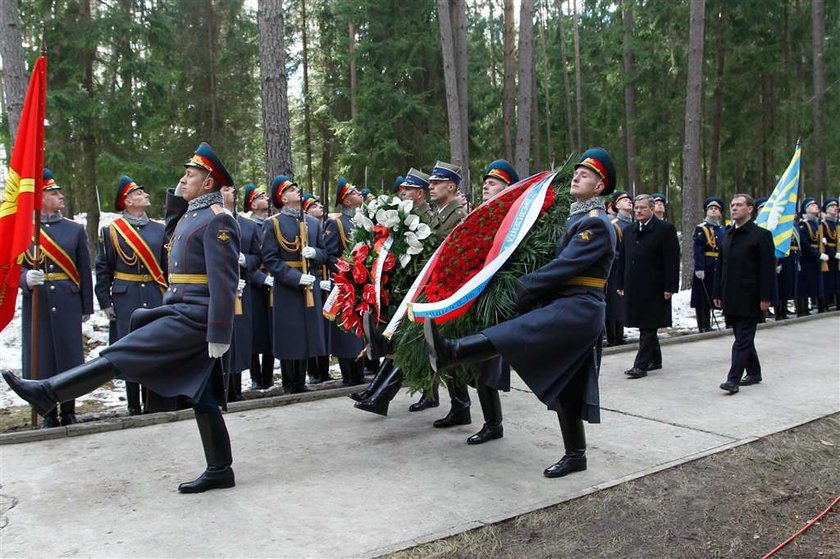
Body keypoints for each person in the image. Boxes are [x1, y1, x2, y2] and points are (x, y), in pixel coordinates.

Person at [5, 142, 240, 493]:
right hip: (179, 308)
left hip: (195, 316)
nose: (183, 179)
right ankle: (220, 468)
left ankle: (48, 392)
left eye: (190, 175)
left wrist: (220, 331)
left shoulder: (218, 220)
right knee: (203, 395)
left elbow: (224, 279)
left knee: (122, 353)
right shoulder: (193, 215)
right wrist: (177, 199)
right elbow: (171, 236)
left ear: (208, 183)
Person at [422, 147, 618, 477]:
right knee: (568, 384)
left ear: (600, 187)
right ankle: (576, 454)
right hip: (568, 303)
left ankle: (452, 351)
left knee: (517, 332)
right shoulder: (577, 217)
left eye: (586, 175)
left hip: (580, 307)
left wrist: (520, 289)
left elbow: (564, 267)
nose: (577, 176)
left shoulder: (596, 225)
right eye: (578, 171)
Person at [95, 175, 182, 414]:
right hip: (126, 298)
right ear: (128, 201)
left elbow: (167, 267)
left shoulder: (159, 229)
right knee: (129, 350)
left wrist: (172, 295)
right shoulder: (112, 232)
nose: (146, 196)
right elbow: (104, 268)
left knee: (155, 348)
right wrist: (105, 300)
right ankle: (133, 404)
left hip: (155, 294)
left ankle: (154, 401)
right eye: (139, 193)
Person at [18, 169, 94, 428]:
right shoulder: (23, 230)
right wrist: (25, 278)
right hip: (36, 301)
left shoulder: (74, 229)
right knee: (42, 357)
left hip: (67, 301)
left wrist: (86, 305)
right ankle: (48, 413)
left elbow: (84, 268)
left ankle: (69, 409)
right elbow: (10, 266)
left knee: (69, 356)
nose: (60, 196)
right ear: (39, 197)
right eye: (53, 193)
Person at [261, 176, 328, 394]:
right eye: (291, 189)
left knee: (307, 333)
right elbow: (270, 259)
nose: (297, 191)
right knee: (290, 335)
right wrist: (294, 277)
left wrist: (315, 253)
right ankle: (289, 382)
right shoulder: (273, 223)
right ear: (282, 197)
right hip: (288, 286)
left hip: (310, 282)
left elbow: (325, 253)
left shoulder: (313, 223)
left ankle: (302, 380)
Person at [413, 160, 469, 417]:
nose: (430, 186)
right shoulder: (441, 213)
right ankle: (453, 403)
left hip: (448, 290)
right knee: (438, 347)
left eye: (436, 183)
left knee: (448, 348)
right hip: (435, 287)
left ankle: (461, 406)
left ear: (451, 186)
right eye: (431, 182)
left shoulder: (458, 214)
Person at [715, 194, 775, 394]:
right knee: (742, 336)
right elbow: (720, 266)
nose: (734, 208)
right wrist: (718, 292)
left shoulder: (761, 235)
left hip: (751, 296)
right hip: (730, 295)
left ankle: (733, 379)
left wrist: (765, 298)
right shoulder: (727, 234)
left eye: (739, 205)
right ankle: (754, 372)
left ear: (750, 209)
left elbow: (767, 270)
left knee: (742, 339)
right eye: (732, 205)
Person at [617, 194, 680, 379]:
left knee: (649, 325)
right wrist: (620, 282)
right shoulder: (629, 230)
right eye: (636, 208)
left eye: (642, 208)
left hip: (655, 286)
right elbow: (623, 259)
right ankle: (655, 359)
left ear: (652, 209)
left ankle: (640, 365)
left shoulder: (665, 229)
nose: (638, 211)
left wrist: (670, 286)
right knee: (644, 323)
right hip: (634, 285)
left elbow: (672, 260)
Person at [324, 178, 366, 385]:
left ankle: (360, 371)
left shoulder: (362, 220)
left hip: (362, 280)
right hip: (345, 282)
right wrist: (346, 270)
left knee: (359, 328)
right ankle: (349, 375)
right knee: (345, 329)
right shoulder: (337, 223)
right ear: (346, 201)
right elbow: (330, 254)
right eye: (354, 192)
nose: (359, 193)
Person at [221, 184, 258, 401]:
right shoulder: (208, 219)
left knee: (240, 338)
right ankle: (222, 388)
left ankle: (236, 388)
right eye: (225, 188)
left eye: (232, 189)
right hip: (218, 289)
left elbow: (259, 256)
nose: (231, 192)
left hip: (242, 289)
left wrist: (247, 260)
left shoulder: (248, 225)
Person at [241, 183, 275, 389]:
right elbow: (251, 260)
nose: (267, 199)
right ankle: (256, 377)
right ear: (252, 204)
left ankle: (268, 376)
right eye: (261, 196)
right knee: (255, 332)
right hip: (254, 284)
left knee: (271, 331)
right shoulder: (246, 227)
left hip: (274, 281)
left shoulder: (273, 224)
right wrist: (261, 279)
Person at [302, 192, 334, 385]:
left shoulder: (321, 227)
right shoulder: (305, 227)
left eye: (319, 204)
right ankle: (313, 370)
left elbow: (326, 254)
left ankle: (324, 369)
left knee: (324, 326)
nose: (319, 207)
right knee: (312, 328)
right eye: (313, 206)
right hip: (310, 279)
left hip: (323, 281)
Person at [690, 196, 724, 332]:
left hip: (717, 266)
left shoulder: (722, 229)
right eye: (711, 208)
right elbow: (698, 249)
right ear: (706, 211)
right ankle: (702, 325)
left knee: (712, 294)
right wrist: (699, 267)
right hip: (706, 264)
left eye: (716, 209)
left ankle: (709, 324)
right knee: (702, 297)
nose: (714, 211)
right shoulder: (701, 228)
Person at [604, 190, 632, 346]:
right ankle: (613, 336)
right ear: (616, 205)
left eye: (630, 200)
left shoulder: (633, 224)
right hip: (615, 269)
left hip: (630, 268)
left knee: (622, 302)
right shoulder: (613, 225)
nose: (629, 202)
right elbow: (610, 248)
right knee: (613, 302)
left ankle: (620, 334)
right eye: (624, 200)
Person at [797, 197, 826, 314]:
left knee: (815, 283)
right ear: (806, 209)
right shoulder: (804, 225)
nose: (816, 207)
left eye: (816, 205)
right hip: (807, 259)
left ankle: (818, 306)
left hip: (814, 258)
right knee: (805, 284)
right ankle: (803, 310)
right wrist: (817, 255)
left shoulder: (815, 223)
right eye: (812, 206)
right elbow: (804, 244)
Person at [820, 198, 838, 311]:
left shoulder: (837, 223)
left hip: (837, 255)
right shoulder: (823, 224)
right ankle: (825, 305)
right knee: (827, 282)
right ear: (826, 210)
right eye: (831, 207)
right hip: (828, 256)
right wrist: (833, 254)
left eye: (836, 206)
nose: (835, 208)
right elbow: (823, 242)